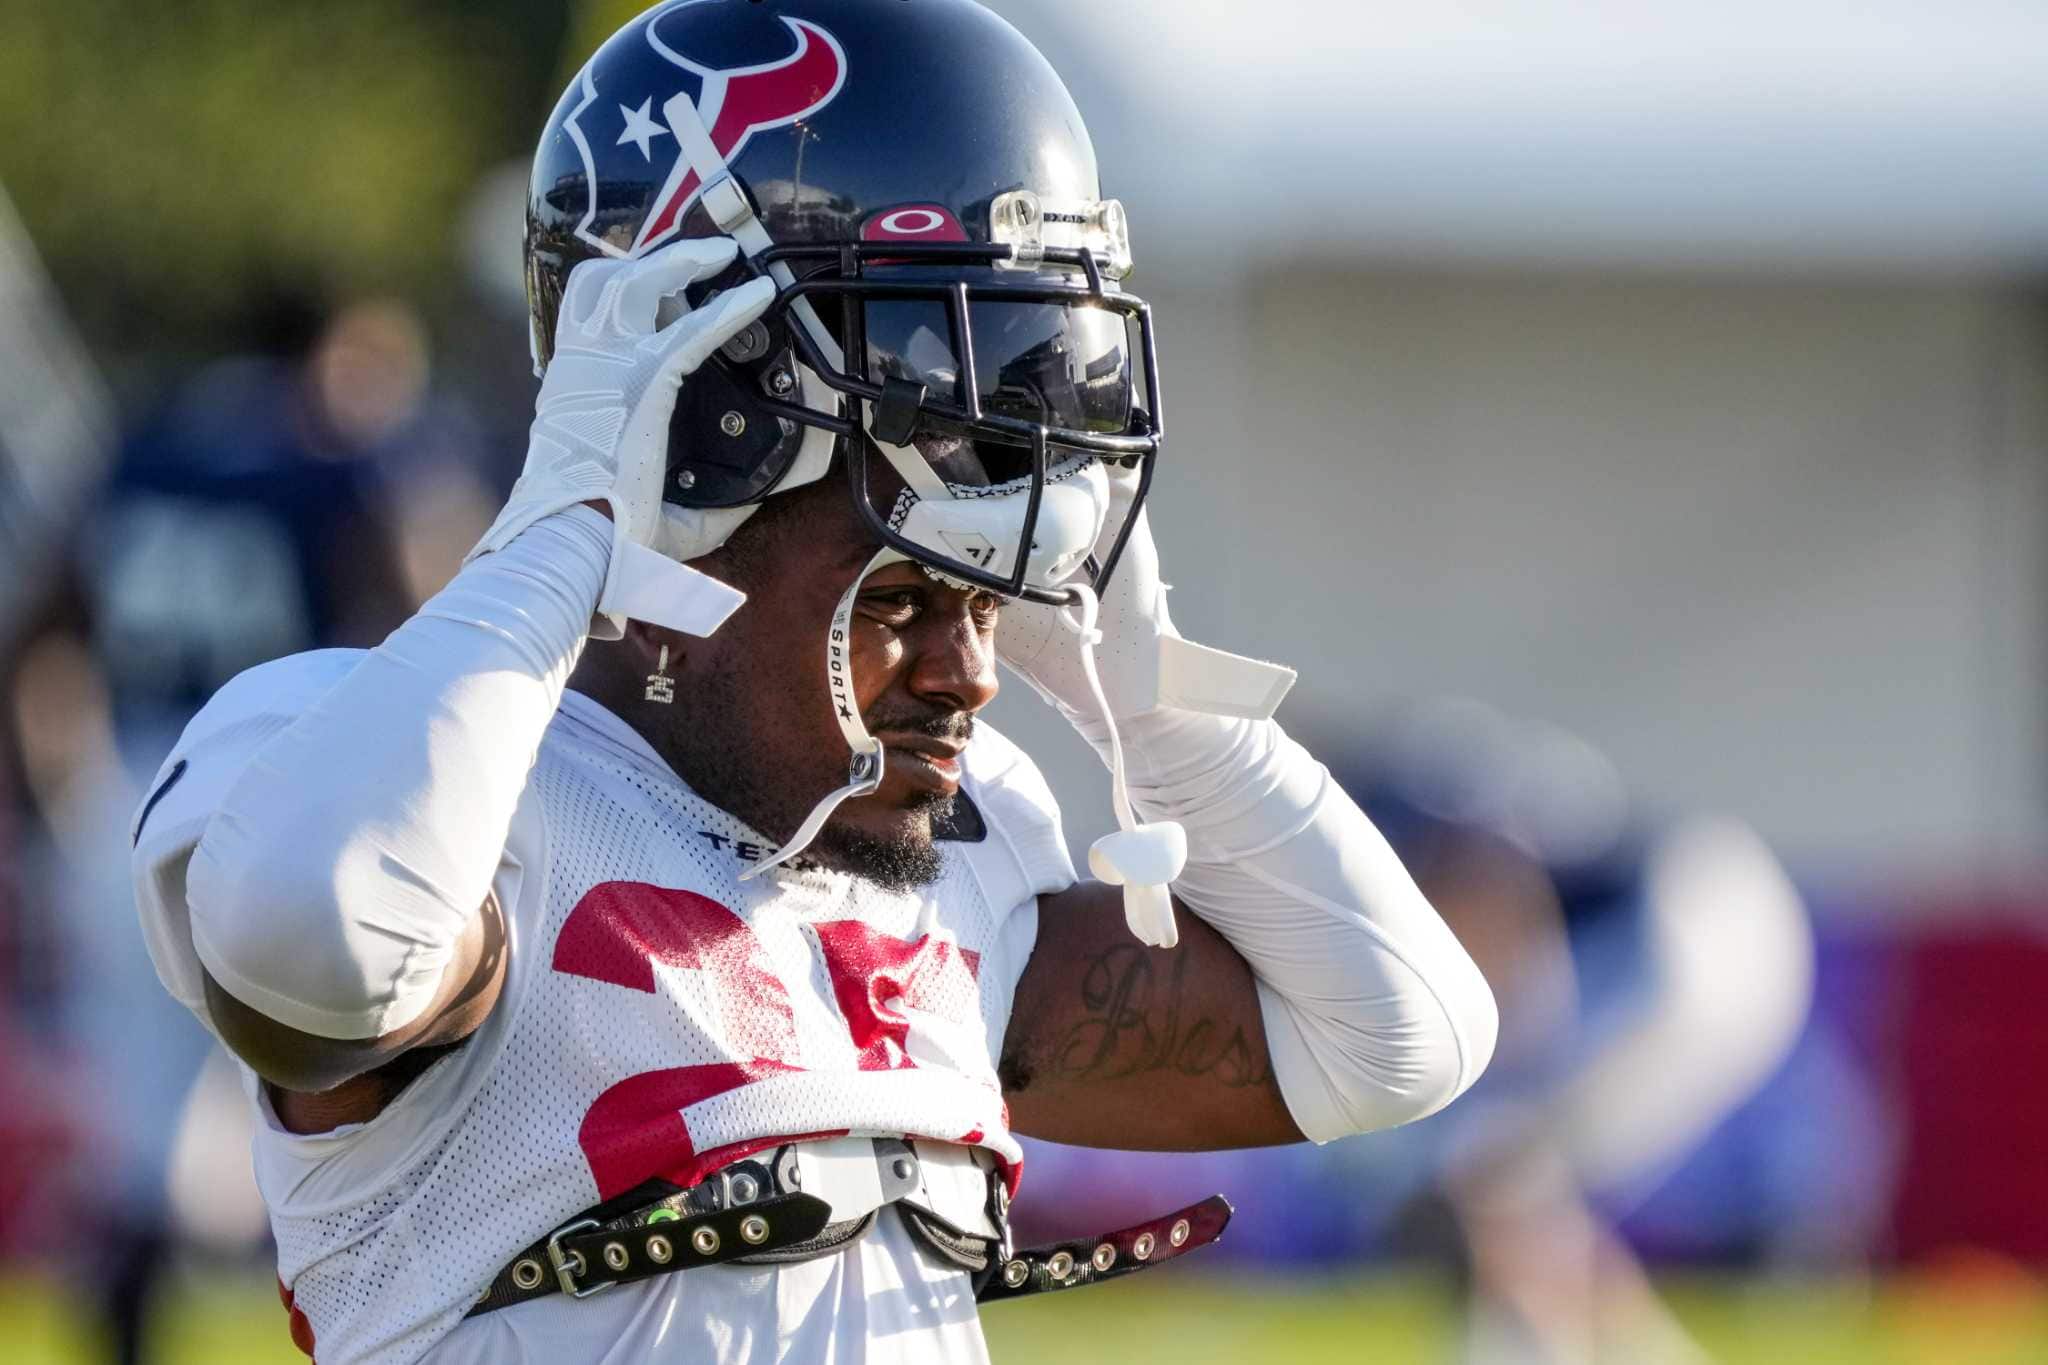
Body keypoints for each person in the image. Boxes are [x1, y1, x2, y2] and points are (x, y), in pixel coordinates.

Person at [129, 3, 1497, 1362]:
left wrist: (1145, 689)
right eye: (903, 596)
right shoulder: (402, 775)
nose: (970, 677)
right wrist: (556, 538)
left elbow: (1402, 1034)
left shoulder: (953, 856)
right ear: (690, 495)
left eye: (990, 603)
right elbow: (320, 949)